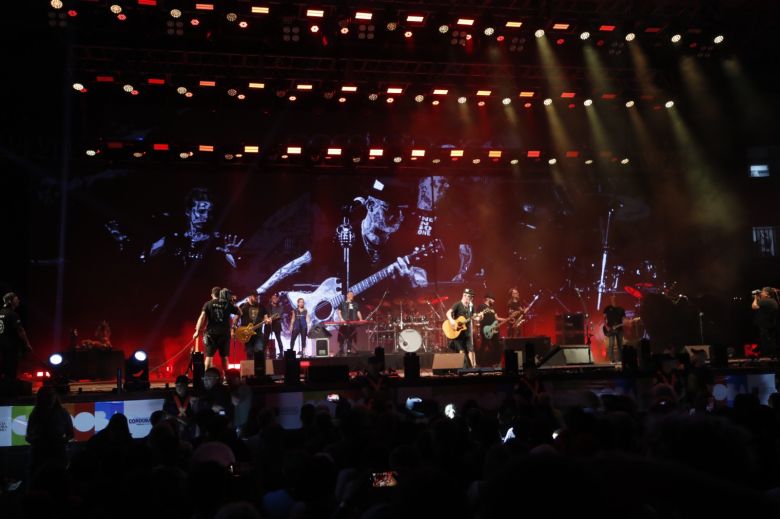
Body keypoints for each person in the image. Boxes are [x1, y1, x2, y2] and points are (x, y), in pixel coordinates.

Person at [134, 187, 244, 267]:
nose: (205, 216)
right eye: (201, 211)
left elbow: (237, 268)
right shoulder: (173, 238)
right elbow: (144, 257)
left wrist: (232, 254)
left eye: (209, 212)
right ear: (188, 211)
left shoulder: (218, 241)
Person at [25, 385, 74, 475]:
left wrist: (37, 440)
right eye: (47, 396)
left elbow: (28, 437)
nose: (49, 399)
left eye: (51, 395)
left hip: (44, 454)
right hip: (49, 453)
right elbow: (71, 434)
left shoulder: (35, 414)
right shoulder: (62, 413)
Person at [193, 287, 241, 371]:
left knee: (209, 357)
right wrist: (232, 302)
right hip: (224, 334)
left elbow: (202, 317)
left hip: (211, 334)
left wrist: (197, 331)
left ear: (212, 295)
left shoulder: (208, 304)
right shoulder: (227, 304)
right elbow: (240, 312)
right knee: (224, 357)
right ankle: (227, 377)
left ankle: (206, 378)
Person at [0, 292, 33, 386]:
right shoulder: (13, 315)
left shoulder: (1, 312)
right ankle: (9, 394)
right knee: (10, 371)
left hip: (2, 348)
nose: (18, 300)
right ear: (10, 301)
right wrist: (27, 344)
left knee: (3, 369)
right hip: (11, 348)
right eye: (16, 299)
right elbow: (21, 331)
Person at [446, 288, 476, 368]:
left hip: (467, 332)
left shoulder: (471, 307)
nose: (469, 298)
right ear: (464, 295)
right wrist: (452, 320)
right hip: (457, 333)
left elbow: (475, 317)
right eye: (468, 296)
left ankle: (473, 367)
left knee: (471, 349)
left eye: (470, 297)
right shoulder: (458, 304)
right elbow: (448, 313)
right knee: (461, 351)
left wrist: (479, 317)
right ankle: (463, 368)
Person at [476, 293, 506, 366]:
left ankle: (495, 362)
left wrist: (507, 319)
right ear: (487, 298)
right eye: (492, 299)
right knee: (484, 345)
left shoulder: (492, 308)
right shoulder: (481, 306)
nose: (493, 301)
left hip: (494, 330)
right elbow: (478, 317)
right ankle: (479, 363)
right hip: (486, 329)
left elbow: (497, 318)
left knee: (497, 346)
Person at [751, 287, 778, 358]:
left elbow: (754, 306)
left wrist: (755, 298)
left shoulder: (766, 301)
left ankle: (767, 354)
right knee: (770, 340)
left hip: (766, 325)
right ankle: (771, 354)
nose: (761, 293)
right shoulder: (772, 301)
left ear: (767, 294)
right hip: (771, 324)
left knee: (766, 340)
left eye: (763, 292)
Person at [238, 293, 266, 361]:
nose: (257, 298)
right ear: (250, 297)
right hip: (246, 334)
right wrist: (233, 329)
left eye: (257, 296)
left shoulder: (261, 307)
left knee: (259, 351)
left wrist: (268, 320)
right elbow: (236, 318)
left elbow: (266, 317)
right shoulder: (243, 306)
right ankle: (250, 371)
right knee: (249, 352)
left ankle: (258, 370)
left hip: (258, 334)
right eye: (255, 296)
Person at [602, 294, 626, 363]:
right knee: (611, 344)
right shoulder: (607, 308)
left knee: (620, 345)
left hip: (619, 329)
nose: (613, 300)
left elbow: (624, 319)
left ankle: (620, 360)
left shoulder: (621, 309)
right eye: (612, 298)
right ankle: (611, 360)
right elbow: (603, 318)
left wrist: (626, 321)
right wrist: (606, 326)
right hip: (611, 329)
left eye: (614, 298)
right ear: (610, 299)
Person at [337, 291, 363, 355]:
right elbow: (339, 312)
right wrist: (341, 319)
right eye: (351, 294)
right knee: (342, 337)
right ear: (347, 295)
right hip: (344, 323)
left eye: (353, 295)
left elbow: (358, 312)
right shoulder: (342, 303)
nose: (352, 296)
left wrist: (361, 319)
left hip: (352, 323)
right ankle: (341, 351)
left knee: (350, 337)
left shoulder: (355, 304)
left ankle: (349, 350)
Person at [263, 293, 285, 359]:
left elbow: (278, 315)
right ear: (271, 299)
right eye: (273, 298)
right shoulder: (268, 307)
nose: (274, 299)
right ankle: (264, 354)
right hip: (268, 325)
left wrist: (270, 318)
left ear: (278, 299)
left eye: (276, 298)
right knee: (265, 340)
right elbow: (265, 315)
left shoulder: (280, 307)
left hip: (277, 324)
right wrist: (267, 319)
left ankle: (281, 353)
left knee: (279, 339)